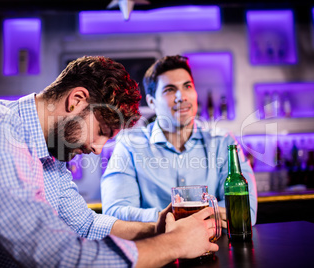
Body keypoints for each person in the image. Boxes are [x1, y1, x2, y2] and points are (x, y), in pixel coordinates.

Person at [0, 56, 219, 267]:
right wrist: (173, 244)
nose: (98, 150)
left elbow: (85, 224)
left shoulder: (51, 150)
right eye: (101, 133)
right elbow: (56, 254)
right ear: (76, 100)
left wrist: (155, 229)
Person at [101, 55, 257, 226]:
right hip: (158, 250)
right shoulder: (129, 146)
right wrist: (196, 216)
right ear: (151, 101)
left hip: (216, 249)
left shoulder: (222, 142)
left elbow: (245, 211)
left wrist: (169, 219)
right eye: (169, 89)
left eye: (187, 86)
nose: (181, 96)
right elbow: (114, 213)